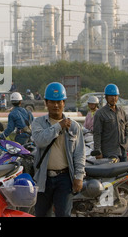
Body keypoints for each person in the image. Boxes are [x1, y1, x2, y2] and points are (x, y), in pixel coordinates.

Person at [31, 82, 85, 217]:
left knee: (63, 214)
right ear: (46, 103)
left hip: (64, 178)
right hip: (43, 178)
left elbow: (79, 153)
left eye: (59, 102)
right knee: (42, 214)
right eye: (52, 102)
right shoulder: (38, 123)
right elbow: (40, 141)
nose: (56, 105)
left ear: (64, 103)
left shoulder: (74, 127)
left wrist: (79, 177)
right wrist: (58, 126)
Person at [93, 84, 128, 162]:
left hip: (122, 152)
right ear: (106, 97)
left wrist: (126, 144)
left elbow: (127, 131)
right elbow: (97, 134)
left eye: (115, 96)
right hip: (108, 153)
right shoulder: (100, 113)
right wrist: (98, 152)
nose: (113, 98)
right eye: (111, 96)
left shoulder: (122, 112)